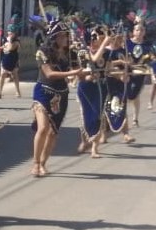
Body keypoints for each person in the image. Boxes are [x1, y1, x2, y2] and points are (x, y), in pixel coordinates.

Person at [30, 19, 83, 177]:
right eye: (60, 36)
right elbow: (49, 74)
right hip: (43, 92)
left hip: (61, 95)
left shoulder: (71, 53)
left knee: (53, 133)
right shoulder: (42, 52)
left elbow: (78, 71)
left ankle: (44, 163)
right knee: (43, 128)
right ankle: (35, 163)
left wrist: (86, 73)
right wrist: (72, 74)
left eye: (65, 36)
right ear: (53, 37)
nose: (64, 39)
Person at [75, 25, 110, 159]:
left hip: (100, 88)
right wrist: (87, 76)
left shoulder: (106, 53)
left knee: (98, 117)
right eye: (95, 37)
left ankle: (94, 148)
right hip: (85, 88)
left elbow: (109, 68)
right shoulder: (83, 51)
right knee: (85, 117)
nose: (97, 39)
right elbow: (92, 61)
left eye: (99, 37)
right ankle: (84, 141)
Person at [124, 22, 151, 127]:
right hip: (127, 71)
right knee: (126, 94)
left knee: (135, 95)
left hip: (140, 73)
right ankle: (124, 118)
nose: (139, 32)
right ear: (133, 32)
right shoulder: (127, 43)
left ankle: (135, 118)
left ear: (144, 32)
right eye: (137, 30)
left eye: (141, 30)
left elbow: (150, 58)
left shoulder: (147, 45)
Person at [0, 17, 22, 98]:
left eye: (11, 32)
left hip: (13, 60)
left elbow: (10, 48)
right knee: (2, 75)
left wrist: (9, 41)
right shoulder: (5, 39)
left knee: (15, 76)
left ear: (15, 33)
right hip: (5, 60)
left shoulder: (16, 41)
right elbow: (4, 46)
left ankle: (18, 92)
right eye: (9, 32)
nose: (9, 33)